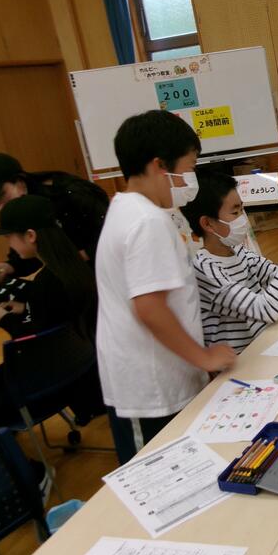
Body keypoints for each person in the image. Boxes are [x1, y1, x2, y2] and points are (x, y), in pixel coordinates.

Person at [96, 110, 235, 464]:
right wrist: (203, 357)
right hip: (151, 386)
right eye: (188, 169)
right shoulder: (147, 221)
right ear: (160, 165)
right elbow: (150, 308)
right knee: (157, 473)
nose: (190, 180)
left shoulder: (127, 208)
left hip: (159, 372)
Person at [0, 195, 99, 499]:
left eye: (9, 237)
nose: (9, 246)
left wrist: (3, 319)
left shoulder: (47, 285)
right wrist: (22, 310)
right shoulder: (72, 270)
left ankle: (27, 475)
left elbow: (33, 337)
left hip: (44, 383)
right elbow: (50, 322)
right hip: (76, 371)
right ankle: (9, 449)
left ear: (30, 236)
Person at [181, 173, 278, 354]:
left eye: (242, 209)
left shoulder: (240, 252)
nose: (242, 217)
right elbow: (265, 309)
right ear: (208, 224)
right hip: (241, 360)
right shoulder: (205, 270)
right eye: (235, 212)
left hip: (265, 345)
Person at [0, 152, 109, 278]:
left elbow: (113, 237)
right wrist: (9, 267)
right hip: (74, 278)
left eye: (2, 195)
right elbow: (33, 253)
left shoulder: (71, 192)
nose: (1, 207)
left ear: (19, 181)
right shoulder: (20, 208)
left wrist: (76, 258)